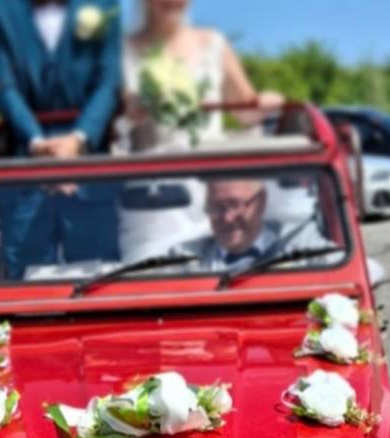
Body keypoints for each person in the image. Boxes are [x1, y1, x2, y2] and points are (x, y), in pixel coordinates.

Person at [115, 0, 285, 263]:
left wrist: (270, 102)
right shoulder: (121, 49)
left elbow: (245, 111)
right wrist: (132, 109)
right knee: (152, 270)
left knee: (220, 270)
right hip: (155, 196)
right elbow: (109, 123)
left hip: (213, 191)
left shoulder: (213, 43)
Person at [0, 0, 123, 277]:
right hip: (26, 172)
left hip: (90, 174)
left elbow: (110, 80)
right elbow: (0, 82)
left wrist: (79, 139)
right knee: (22, 277)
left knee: (101, 277)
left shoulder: (104, 5)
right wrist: (35, 141)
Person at [180, 179, 330, 270]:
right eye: (217, 207)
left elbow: (339, 277)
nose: (227, 218)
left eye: (236, 205)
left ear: (261, 202)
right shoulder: (187, 257)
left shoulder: (303, 244)